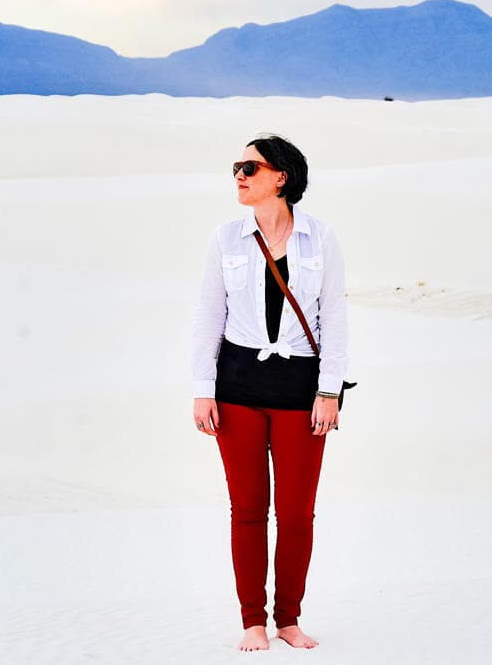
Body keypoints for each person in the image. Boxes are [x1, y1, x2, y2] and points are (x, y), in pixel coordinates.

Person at [190, 133, 349, 652]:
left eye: (250, 167)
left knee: (298, 512)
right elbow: (209, 319)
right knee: (247, 509)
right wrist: (202, 388)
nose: (238, 175)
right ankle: (252, 621)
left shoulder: (320, 239)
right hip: (236, 386)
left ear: (280, 177)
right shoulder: (226, 238)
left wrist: (329, 391)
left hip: (301, 390)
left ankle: (289, 618)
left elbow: (336, 321)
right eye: (236, 167)